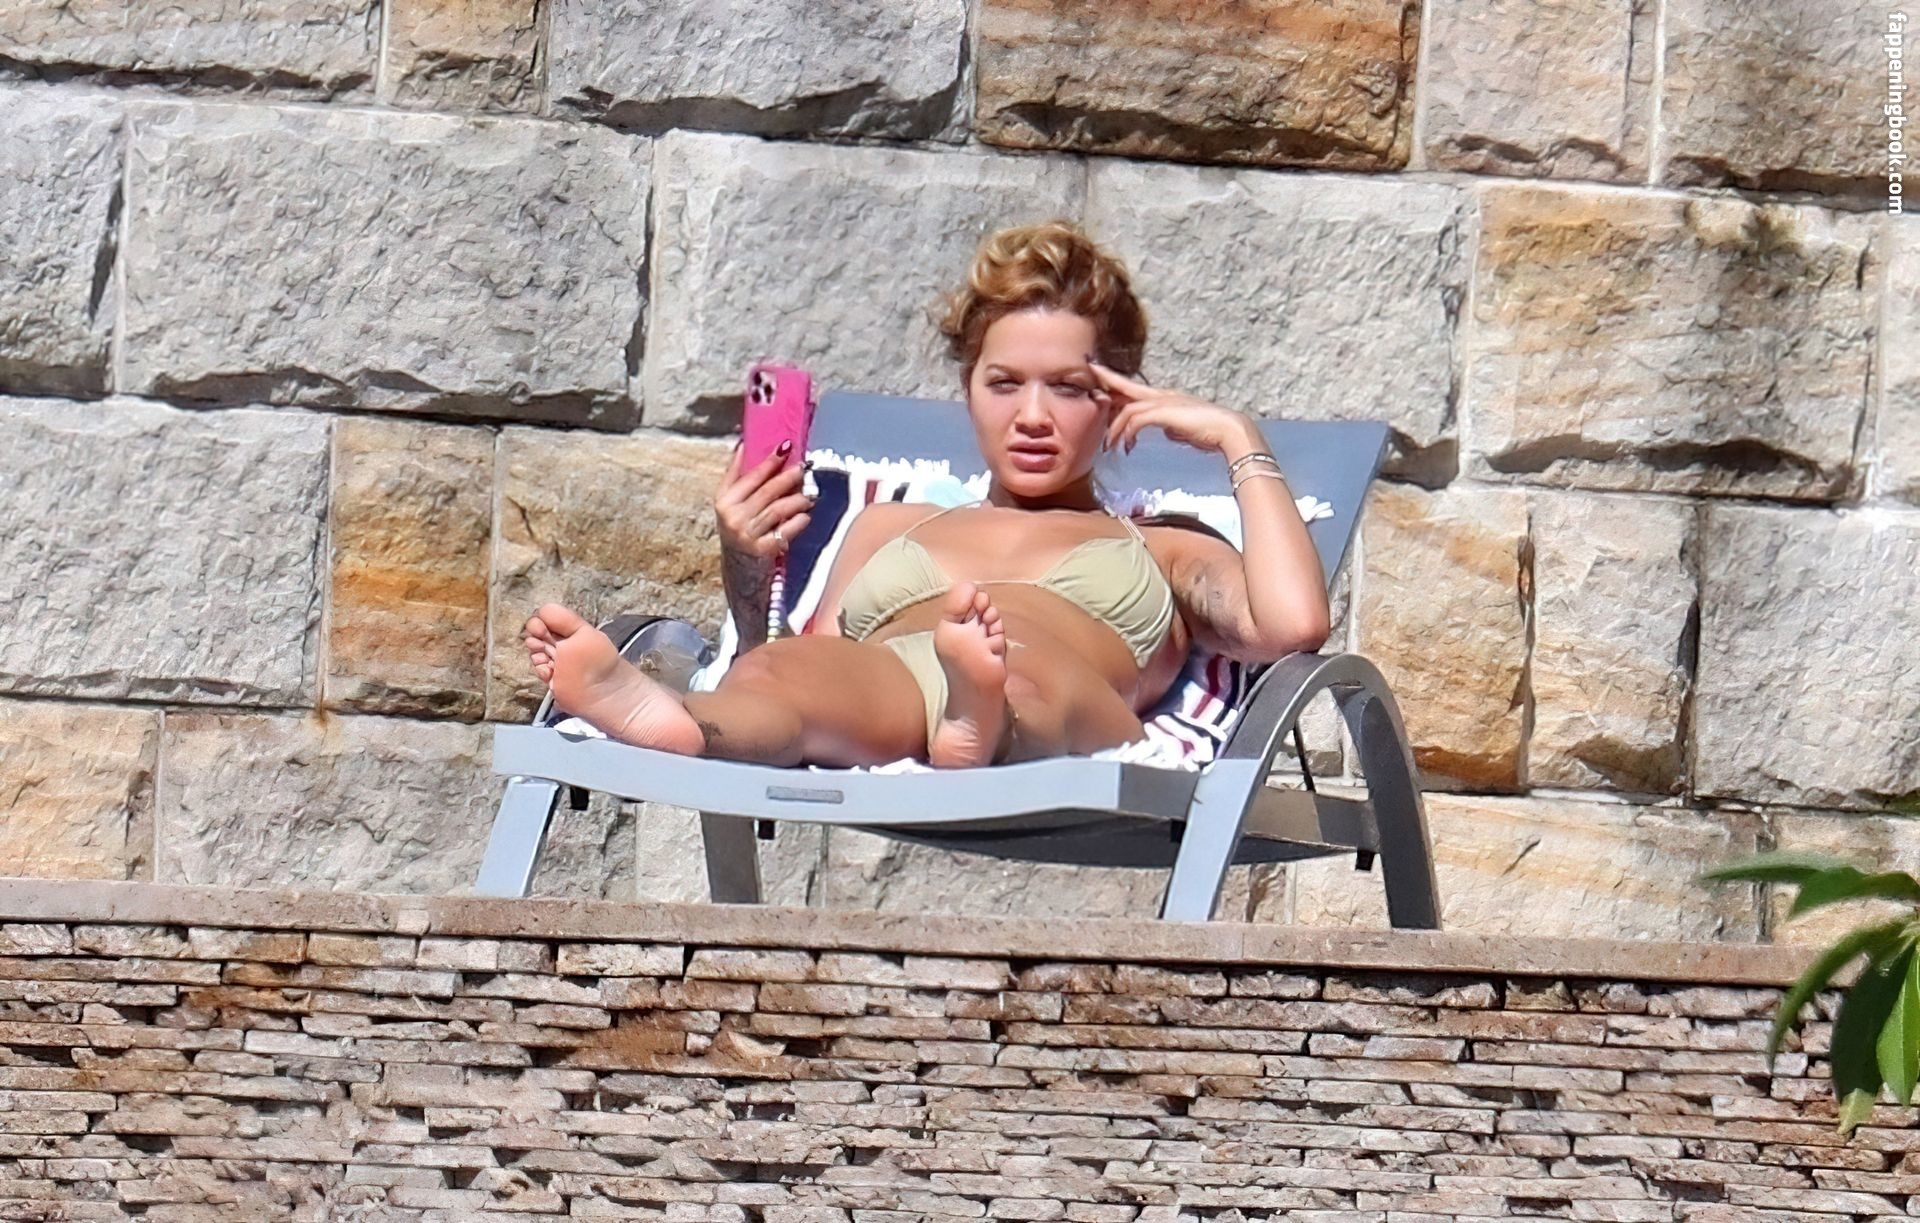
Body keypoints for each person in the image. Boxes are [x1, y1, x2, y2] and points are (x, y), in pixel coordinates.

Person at [523, 220, 1330, 769]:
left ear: (1122, 396)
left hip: (1051, 690)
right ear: (968, 388)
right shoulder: (890, 524)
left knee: (1016, 677)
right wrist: (746, 562)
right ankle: (679, 723)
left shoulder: (1166, 545)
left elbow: (1292, 624)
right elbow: (782, 656)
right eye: (1004, 383)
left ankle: (983, 718)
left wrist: (1238, 439)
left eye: (1069, 387)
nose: (1034, 416)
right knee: (784, 674)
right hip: (895, 686)